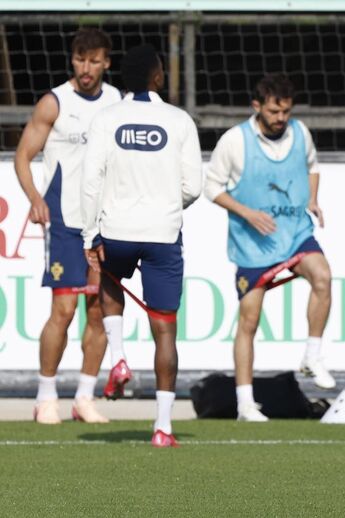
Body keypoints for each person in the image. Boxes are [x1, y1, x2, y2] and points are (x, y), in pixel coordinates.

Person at [82, 44, 202, 447]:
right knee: (165, 331)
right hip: (163, 233)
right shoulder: (179, 119)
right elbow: (194, 187)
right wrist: (168, 203)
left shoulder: (107, 118)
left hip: (116, 228)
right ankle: (163, 428)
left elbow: (91, 180)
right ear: (157, 77)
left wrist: (89, 234)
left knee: (111, 283)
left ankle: (117, 357)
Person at [204, 74, 335, 422]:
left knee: (322, 276)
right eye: (275, 111)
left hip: (294, 233)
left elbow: (312, 166)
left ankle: (312, 355)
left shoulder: (300, 132)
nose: (281, 118)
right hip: (254, 244)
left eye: (286, 111)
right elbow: (212, 187)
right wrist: (247, 213)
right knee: (249, 320)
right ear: (257, 106)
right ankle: (246, 402)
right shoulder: (235, 141)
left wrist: (313, 199)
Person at [13, 28, 121, 425]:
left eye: (94, 60)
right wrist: (36, 200)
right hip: (64, 221)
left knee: (98, 311)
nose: (86, 67)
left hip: (104, 224)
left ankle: (84, 397)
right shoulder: (54, 102)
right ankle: (45, 396)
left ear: (107, 62)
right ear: (72, 61)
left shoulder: (118, 104)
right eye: (80, 59)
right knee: (63, 309)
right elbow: (23, 156)